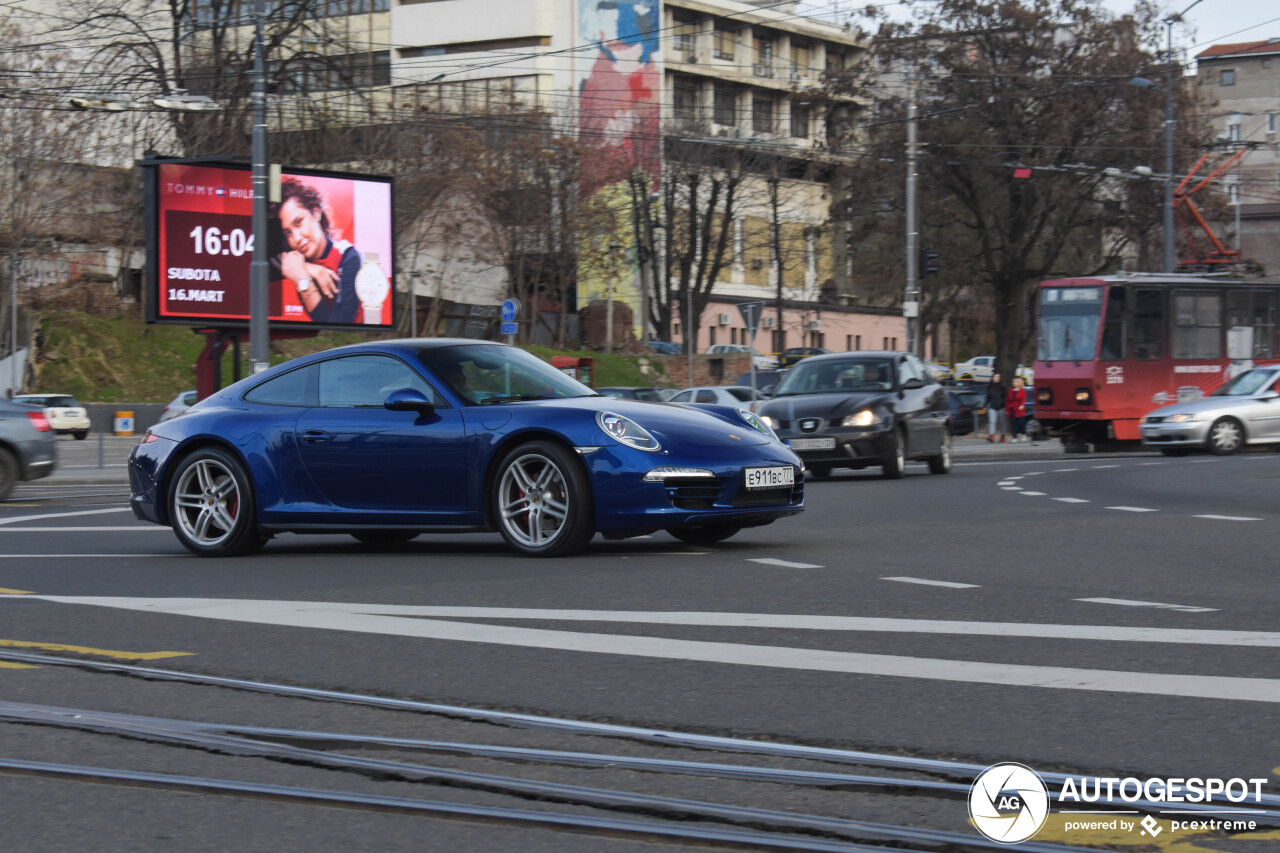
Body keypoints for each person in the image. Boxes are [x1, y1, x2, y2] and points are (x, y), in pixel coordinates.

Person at [273, 177, 361, 324]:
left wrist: (302, 279)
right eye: (288, 232)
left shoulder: (347, 256)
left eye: (299, 222)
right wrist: (306, 267)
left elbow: (337, 325)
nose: (297, 238)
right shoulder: (294, 262)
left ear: (316, 212)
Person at [985, 372, 1008, 442]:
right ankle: (991, 436)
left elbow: (1006, 397)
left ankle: (1003, 436)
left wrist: (1004, 403)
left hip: (1001, 407)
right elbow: (988, 397)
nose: (997, 378)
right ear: (993, 378)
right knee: (992, 421)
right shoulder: (989, 387)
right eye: (995, 377)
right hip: (992, 406)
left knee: (1002, 422)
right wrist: (985, 406)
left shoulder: (1003, 387)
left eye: (998, 377)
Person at [1006, 375, 1029, 442]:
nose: (1014, 382)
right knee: (1014, 424)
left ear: (1019, 382)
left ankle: (1023, 434)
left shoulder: (1023, 391)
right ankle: (1014, 437)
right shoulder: (1010, 391)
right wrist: (1007, 409)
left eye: (1016, 381)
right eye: (1013, 381)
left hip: (1020, 410)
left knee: (1021, 423)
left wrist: (1022, 405)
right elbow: (1008, 400)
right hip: (1012, 409)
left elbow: (1024, 399)